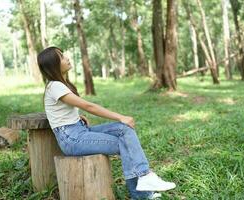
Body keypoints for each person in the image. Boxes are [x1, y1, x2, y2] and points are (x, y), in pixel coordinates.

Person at [37, 46, 176, 199]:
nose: (67, 58)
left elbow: (62, 110)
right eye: (62, 57)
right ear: (53, 65)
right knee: (125, 143)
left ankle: (144, 182)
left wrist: (77, 117)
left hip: (79, 131)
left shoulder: (61, 84)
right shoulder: (55, 86)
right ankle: (143, 184)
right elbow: (89, 106)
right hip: (72, 139)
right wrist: (120, 116)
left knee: (125, 130)